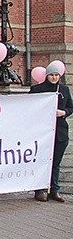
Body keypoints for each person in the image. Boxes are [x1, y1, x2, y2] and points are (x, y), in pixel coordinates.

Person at [29, 63, 73, 203]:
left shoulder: (64, 90)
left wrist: (64, 112)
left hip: (60, 131)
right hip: (42, 131)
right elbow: (29, 106)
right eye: (51, 75)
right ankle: (40, 190)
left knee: (56, 163)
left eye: (56, 75)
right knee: (41, 160)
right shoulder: (37, 89)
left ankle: (54, 190)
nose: (54, 77)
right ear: (47, 75)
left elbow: (70, 107)